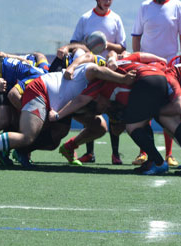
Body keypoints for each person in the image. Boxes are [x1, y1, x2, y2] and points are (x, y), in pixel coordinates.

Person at [0, 53, 136, 170]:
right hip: (42, 91)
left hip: (50, 98)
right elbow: (93, 66)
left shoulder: (96, 90)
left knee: (52, 140)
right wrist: (123, 78)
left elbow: (83, 104)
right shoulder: (93, 73)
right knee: (28, 135)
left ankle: (14, 149)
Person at [52, 58, 181, 176]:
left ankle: (158, 162)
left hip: (148, 81)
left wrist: (58, 115)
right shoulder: (119, 66)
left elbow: (80, 100)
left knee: (133, 127)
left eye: (95, 106)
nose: (99, 110)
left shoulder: (98, 82)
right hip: (160, 78)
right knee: (166, 120)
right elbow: (142, 57)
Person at [131, 0, 181, 167]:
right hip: (147, 68)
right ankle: (143, 152)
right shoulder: (144, 6)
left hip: (170, 68)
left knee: (169, 109)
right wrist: (138, 61)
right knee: (144, 108)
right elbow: (136, 36)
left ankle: (169, 154)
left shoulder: (178, 6)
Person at [67, 0, 127, 164]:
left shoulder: (115, 19)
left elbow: (122, 47)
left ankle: (115, 154)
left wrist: (105, 44)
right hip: (91, 72)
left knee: (113, 110)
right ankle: (89, 153)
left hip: (110, 72)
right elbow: (73, 44)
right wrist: (88, 46)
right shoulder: (85, 18)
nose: (107, 2)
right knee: (93, 110)